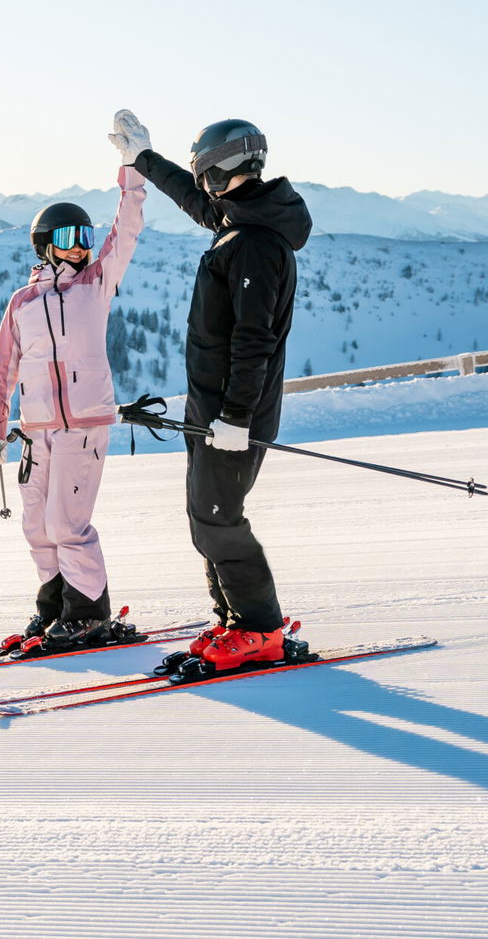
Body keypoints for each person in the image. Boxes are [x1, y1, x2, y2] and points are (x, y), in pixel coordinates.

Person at [107, 109, 313, 671]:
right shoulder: (242, 221)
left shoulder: (253, 244)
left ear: (222, 169)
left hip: (233, 414)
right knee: (205, 516)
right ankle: (233, 620)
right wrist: (142, 160)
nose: (201, 185)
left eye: (203, 173)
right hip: (214, 409)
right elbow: (197, 205)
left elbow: (254, 339)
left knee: (219, 517)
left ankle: (260, 628)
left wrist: (237, 416)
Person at [0, 159, 146, 658]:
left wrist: (133, 170)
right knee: (37, 527)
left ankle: (88, 612)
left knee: (67, 524)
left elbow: (127, 230)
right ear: (45, 242)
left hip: (83, 427)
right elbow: (3, 367)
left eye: (86, 235)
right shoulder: (23, 302)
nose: (81, 246)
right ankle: (55, 607)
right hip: (35, 430)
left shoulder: (96, 284)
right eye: (70, 235)